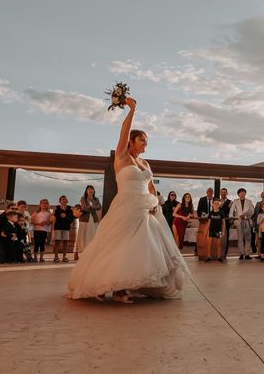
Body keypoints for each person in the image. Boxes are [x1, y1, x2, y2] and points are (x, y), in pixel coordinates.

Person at [66, 97, 188, 303]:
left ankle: (122, 288)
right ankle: (103, 284)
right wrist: (132, 109)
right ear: (131, 141)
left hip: (145, 209)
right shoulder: (122, 157)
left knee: (138, 248)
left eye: (147, 141)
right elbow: (124, 129)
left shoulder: (145, 163)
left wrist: (154, 202)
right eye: (142, 140)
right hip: (125, 205)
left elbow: (151, 187)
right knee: (117, 245)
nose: (145, 144)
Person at [75, 185, 101, 261]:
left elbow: (99, 207)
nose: (90, 190)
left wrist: (90, 207)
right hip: (84, 219)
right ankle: (77, 252)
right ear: (86, 190)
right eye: (89, 189)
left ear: (94, 191)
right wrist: (93, 207)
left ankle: (90, 252)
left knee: (92, 235)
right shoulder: (83, 198)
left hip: (94, 219)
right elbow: (84, 208)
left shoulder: (96, 199)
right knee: (82, 235)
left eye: (92, 189)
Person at [229, 188, 254, 260]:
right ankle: (241, 253)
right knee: (240, 238)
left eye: (243, 192)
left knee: (248, 238)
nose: (242, 194)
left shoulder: (249, 201)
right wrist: (231, 218)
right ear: (238, 194)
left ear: (245, 193)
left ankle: (247, 254)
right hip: (239, 221)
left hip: (247, 221)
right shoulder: (235, 201)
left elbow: (252, 211)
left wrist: (245, 216)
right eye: (240, 192)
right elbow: (231, 210)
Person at [52, 195, 75, 263]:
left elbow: (71, 219)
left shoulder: (70, 210)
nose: (64, 200)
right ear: (60, 201)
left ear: (67, 201)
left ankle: (64, 256)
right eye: (62, 199)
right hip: (58, 227)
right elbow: (56, 216)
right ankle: (56, 257)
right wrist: (61, 216)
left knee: (65, 242)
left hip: (66, 228)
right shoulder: (57, 209)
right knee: (57, 242)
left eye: (65, 199)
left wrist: (65, 216)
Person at [218, 188, 232, 260]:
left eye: (224, 192)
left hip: (226, 223)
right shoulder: (217, 201)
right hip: (218, 222)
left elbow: (231, 212)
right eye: (222, 192)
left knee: (225, 237)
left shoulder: (230, 202)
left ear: (227, 193)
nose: (223, 193)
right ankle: (218, 253)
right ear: (220, 193)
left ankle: (224, 254)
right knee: (219, 237)